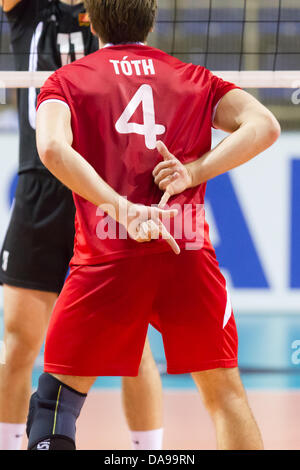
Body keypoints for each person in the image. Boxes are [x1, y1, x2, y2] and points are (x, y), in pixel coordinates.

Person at [26, 0, 280, 451]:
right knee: (225, 397)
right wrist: (195, 171)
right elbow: (265, 125)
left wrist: (120, 208)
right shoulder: (193, 78)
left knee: (54, 405)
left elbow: (50, 148)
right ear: (151, 18)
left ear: (92, 20)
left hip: (107, 261)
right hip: (184, 253)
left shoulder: (67, 81)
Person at [0, 0, 163, 451]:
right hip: (40, 184)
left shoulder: (111, 11)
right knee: (18, 341)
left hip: (105, 187)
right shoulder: (28, 9)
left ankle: (147, 453)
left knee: (135, 347)